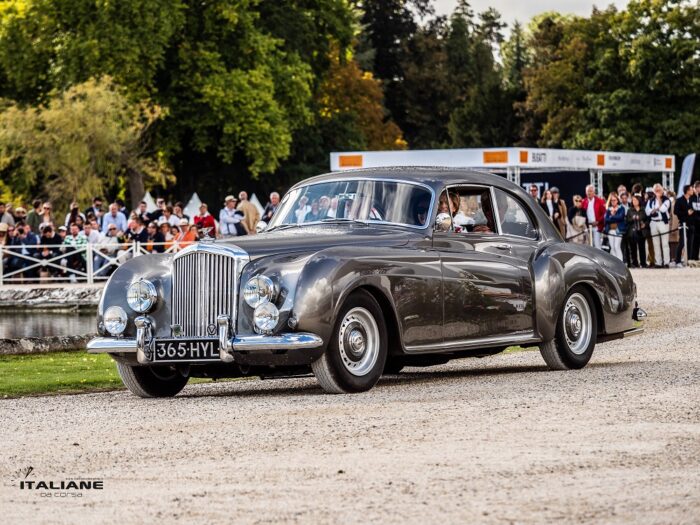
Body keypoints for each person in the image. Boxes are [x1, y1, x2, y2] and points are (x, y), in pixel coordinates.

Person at [645, 183, 671, 268]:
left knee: (665, 243)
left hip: (663, 222)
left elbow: (663, 209)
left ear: (662, 190)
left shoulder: (666, 199)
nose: (657, 192)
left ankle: (666, 262)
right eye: (656, 190)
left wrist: (659, 200)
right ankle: (658, 262)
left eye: (659, 190)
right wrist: (655, 209)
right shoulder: (650, 200)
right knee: (656, 243)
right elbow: (647, 212)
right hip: (653, 222)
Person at [673, 185, 693, 267]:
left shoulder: (691, 200)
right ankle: (677, 261)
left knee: (690, 243)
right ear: (687, 191)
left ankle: (689, 260)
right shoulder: (679, 200)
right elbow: (675, 212)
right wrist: (686, 213)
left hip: (691, 224)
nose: (693, 191)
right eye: (691, 189)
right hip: (683, 224)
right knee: (682, 243)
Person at [626, 195, 648, 268]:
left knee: (642, 248)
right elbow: (627, 220)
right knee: (633, 248)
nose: (634, 201)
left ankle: (643, 263)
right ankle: (635, 263)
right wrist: (633, 218)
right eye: (633, 200)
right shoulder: (630, 210)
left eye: (636, 200)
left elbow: (647, 219)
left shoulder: (643, 209)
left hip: (641, 231)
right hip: (632, 232)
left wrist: (644, 224)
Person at [581, 185, 606, 249]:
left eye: (590, 191)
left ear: (594, 192)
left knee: (597, 245)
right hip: (587, 227)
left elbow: (604, 213)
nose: (589, 193)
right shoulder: (584, 201)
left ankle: (599, 259)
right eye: (587, 191)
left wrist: (598, 221)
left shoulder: (600, 201)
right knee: (588, 246)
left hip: (597, 226)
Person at [604, 192, 626, 261]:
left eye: (614, 200)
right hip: (610, 230)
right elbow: (606, 219)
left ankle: (620, 262)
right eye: (611, 200)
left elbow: (620, 217)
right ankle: (614, 264)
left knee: (617, 246)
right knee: (612, 247)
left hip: (618, 230)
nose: (613, 201)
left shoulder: (621, 208)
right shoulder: (608, 210)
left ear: (617, 200)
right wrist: (612, 217)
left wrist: (612, 216)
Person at [689, 181, 700, 260]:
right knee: (694, 241)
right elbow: (690, 210)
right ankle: (693, 257)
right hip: (693, 223)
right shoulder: (690, 197)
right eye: (699, 187)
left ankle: (697, 257)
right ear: (695, 188)